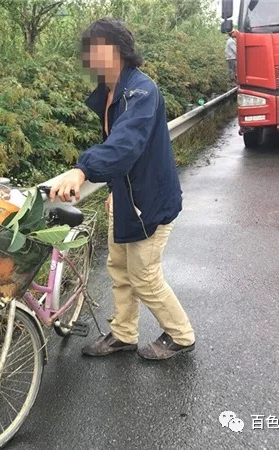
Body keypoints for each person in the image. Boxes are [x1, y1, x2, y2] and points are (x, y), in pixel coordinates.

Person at [49, 18, 195, 360]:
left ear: (118, 51)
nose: (89, 57)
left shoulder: (141, 90)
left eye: (96, 49)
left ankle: (181, 334)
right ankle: (124, 334)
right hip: (126, 197)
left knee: (143, 276)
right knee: (119, 268)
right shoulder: (110, 92)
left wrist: (82, 169)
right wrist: (115, 187)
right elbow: (120, 150)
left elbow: (126, 144)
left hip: (150, 200)